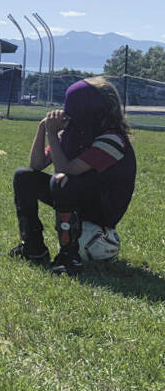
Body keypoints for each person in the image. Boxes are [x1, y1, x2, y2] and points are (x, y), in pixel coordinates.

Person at [9, 77, 136, 276]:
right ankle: (33, 247)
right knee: (23, 177)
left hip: (103, 206)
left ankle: (69, 256)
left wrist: (53, 134)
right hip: (76, 194)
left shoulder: (113, 139)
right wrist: (43, 128)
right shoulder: (75, 134)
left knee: (61, 181)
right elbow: (36, 164)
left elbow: (66, 170)